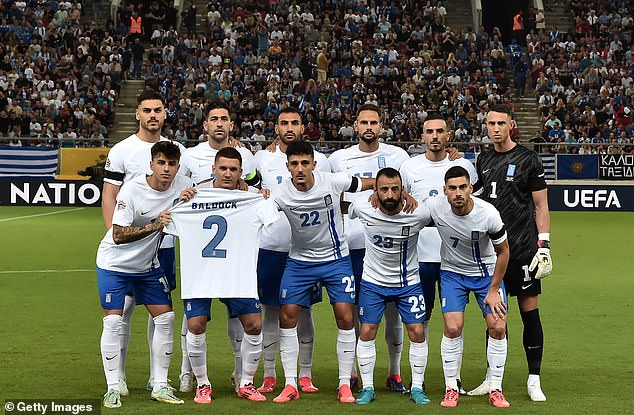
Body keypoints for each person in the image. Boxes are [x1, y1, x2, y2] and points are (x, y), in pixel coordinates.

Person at [164, 147, 279, 404]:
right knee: (195, 325)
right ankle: (203, 384)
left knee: (254, 325)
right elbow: (168, 221)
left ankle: (246, 382)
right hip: (201, 273)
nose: (227, 173)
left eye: (233, 169)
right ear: (213, 169)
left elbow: (271, 219)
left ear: (241, 172)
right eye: (223, 168)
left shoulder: (253, 198)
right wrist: (179, 203)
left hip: (237, 272)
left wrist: (264, 198)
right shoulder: (194, 196)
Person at [270, 140, 377, 404]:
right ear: (288, 166)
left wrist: (388, 190)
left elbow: (371, 183)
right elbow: (256, 211)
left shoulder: (333, 181)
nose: (300, 168)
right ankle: (291, 384)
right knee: (287, 316)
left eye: (305, 163)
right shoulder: (280, 193)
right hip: (300, 261)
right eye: (294, 164)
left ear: (314, 164)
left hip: (336, 260)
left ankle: (344, 384)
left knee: (345, 316)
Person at [101, 90, 187, 395]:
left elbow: (191, 188)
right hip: (128, 247)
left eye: (158, 110)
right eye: (147, 110)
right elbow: (109, 194)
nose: (152, 115)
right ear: (138, 114)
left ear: (165, 114)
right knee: (121, 312)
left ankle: (156, 378)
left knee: (160, 311)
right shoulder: (122, 150)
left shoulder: (178, 150)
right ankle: (118, 377)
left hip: (162, 247)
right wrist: (117, 236)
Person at [468, 104, 552, 402]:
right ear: (486, 126)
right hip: (492, 254)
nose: (495, 128)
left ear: (511, 125)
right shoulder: (484, 158)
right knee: (493, 318)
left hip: (523, 250)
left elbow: (541, 206)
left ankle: (534, 379)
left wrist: (544, 246)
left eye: (501, 123)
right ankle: (492, 380)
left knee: (530, 314)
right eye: (491, 123)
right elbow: (472, 192)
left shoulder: (529, 159)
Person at [329, 104, 410, 392]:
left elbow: (407, 196)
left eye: (374, 122)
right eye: (363, 121)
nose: (368, 126)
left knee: (393, 311)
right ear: (354, 125)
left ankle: (394, 372)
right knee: (350, 312)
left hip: (388, 246)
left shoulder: (398, 156)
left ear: (381, 125)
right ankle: (351, 372)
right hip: (350, 245)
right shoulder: (339, 158)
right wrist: (363, 204)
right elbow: (330, 198)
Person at [179, 102, 260, 392]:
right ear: (206, 125)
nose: (219, 123)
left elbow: (253, 186)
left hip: (235, 260)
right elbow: (182, 196)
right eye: (214, 118)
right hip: (200, 260)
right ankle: (188, 373)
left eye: (225, 118)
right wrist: (184, 198)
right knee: (194, 321)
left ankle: (242, 375)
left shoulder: (247, 155)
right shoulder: (189, 155)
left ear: (231, 123)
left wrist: (257, 194)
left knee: (242, 322)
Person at [253, 107, 331, 395]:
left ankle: (306, 375)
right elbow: (244, 186)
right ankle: (270, 374)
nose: (289, 127)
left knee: (305, 312)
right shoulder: (261, 158)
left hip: (306, 250)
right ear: (275, 128)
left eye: (294, 123)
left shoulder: (320, 160)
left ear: (302, 127)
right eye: (283, 123)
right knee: (271, 311)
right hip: (271, 247)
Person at [399, 112, 477, 395]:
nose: (434, 136)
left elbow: (473, 206)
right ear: (422, 136)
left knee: (454, 321)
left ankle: (454, 379)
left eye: (439, 131)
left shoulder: (462, 165)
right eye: (429, 132)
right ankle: (416, 380)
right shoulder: (409, 167)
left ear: (448, 135)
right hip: (418, 256)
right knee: (419, 319)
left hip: (454, 260)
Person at [425, 166, 510, 408]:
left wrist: (493, 290)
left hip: (486, 276)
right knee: (452, 328)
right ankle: (451, 387)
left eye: (463, 187)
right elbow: (409, 207)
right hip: (453, 274)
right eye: (452, 188)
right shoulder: (435, 207)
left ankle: (496, 387)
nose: (458, 193)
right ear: (445, 191)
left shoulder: (488, 214)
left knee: (497, 327)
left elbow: (504, 252)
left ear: (471, 188)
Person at [348, 167, 432, 406]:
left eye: (395, 189)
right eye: (383, 189)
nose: (389, 194)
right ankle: (367, 388)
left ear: (402, 190)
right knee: (366, 332)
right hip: (373, 283)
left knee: (417, 332)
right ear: (376, 190)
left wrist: (415, 199)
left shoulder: (418, 213)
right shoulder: (364, 206)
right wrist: (366, 195)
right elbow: (348, 208)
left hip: (408, 283)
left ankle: (416, 387)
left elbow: (440, 211)